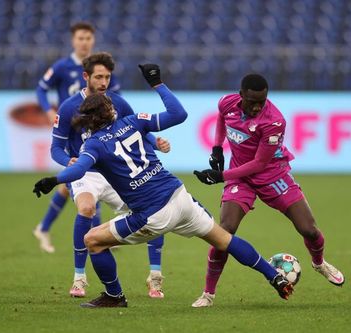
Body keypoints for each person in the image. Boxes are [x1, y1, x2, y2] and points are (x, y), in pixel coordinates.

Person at [32, 64, 294, 308]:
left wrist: (53, 179)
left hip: (153, 214)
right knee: (224, 239)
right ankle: (275, 276)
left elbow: (78, 169)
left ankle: (114, 295)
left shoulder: (93, 145)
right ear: (110, 112)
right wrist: (158, 84)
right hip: (180, 196)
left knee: (93, 240)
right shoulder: (133, 121)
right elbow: (178, 114)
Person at [191, 73, 345, 307]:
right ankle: (208, 294)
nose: (257, 107)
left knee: (309, 230)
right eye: (252, 101)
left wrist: (221, 176)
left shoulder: (274, 121)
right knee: (225, 231)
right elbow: (222, 118)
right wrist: (217, 148)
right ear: (241, 95)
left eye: (262, 101)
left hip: (273, 175)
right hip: (240, 179)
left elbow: (260, 164)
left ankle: (319, 263)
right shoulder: (227, 103)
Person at [50, 52, 169, 298]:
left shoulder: (118, 102)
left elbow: (135, 129)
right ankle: (79, 279)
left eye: (107, 77)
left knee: (155, 207)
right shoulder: (69, 107)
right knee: (86, 209)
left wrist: (155, 142)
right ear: (86, 77)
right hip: (87, 173)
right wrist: (68, 160)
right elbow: (55, 148)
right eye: (98, 77)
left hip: (116, 173)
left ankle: (155, 277)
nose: (104, 82)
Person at [33, 22, 122, 254]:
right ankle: (94, 237)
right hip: (72, 129)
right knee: (84, 179)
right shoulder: (62, 67)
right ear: (73, 41)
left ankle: (45, 227)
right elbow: (41, 88)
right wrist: (48, 111)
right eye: (81, 38)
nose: (85, 42)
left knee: (79, 183)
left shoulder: (100, 69)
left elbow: (116, 96)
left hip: (96, 128)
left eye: (88, 38)